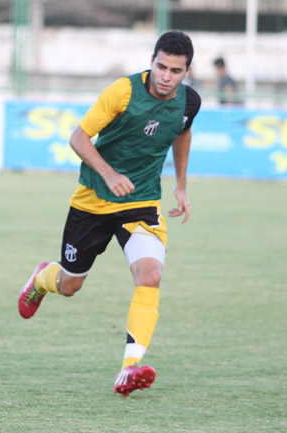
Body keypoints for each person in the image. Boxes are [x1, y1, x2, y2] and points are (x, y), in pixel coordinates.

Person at [17, 31, 201, 397]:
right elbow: (78, 137)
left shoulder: (189, 102)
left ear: (186, 71)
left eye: (175, 70)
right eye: (161, 66)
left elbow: (181, 133)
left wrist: (181, 184)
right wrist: (110, 174)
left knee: (150, 275)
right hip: (93, 199)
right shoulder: (123, 91)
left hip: (141, 201)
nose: (166, 76)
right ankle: (42, 278)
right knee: (70, 285)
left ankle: (129, 367)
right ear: (152, 61)